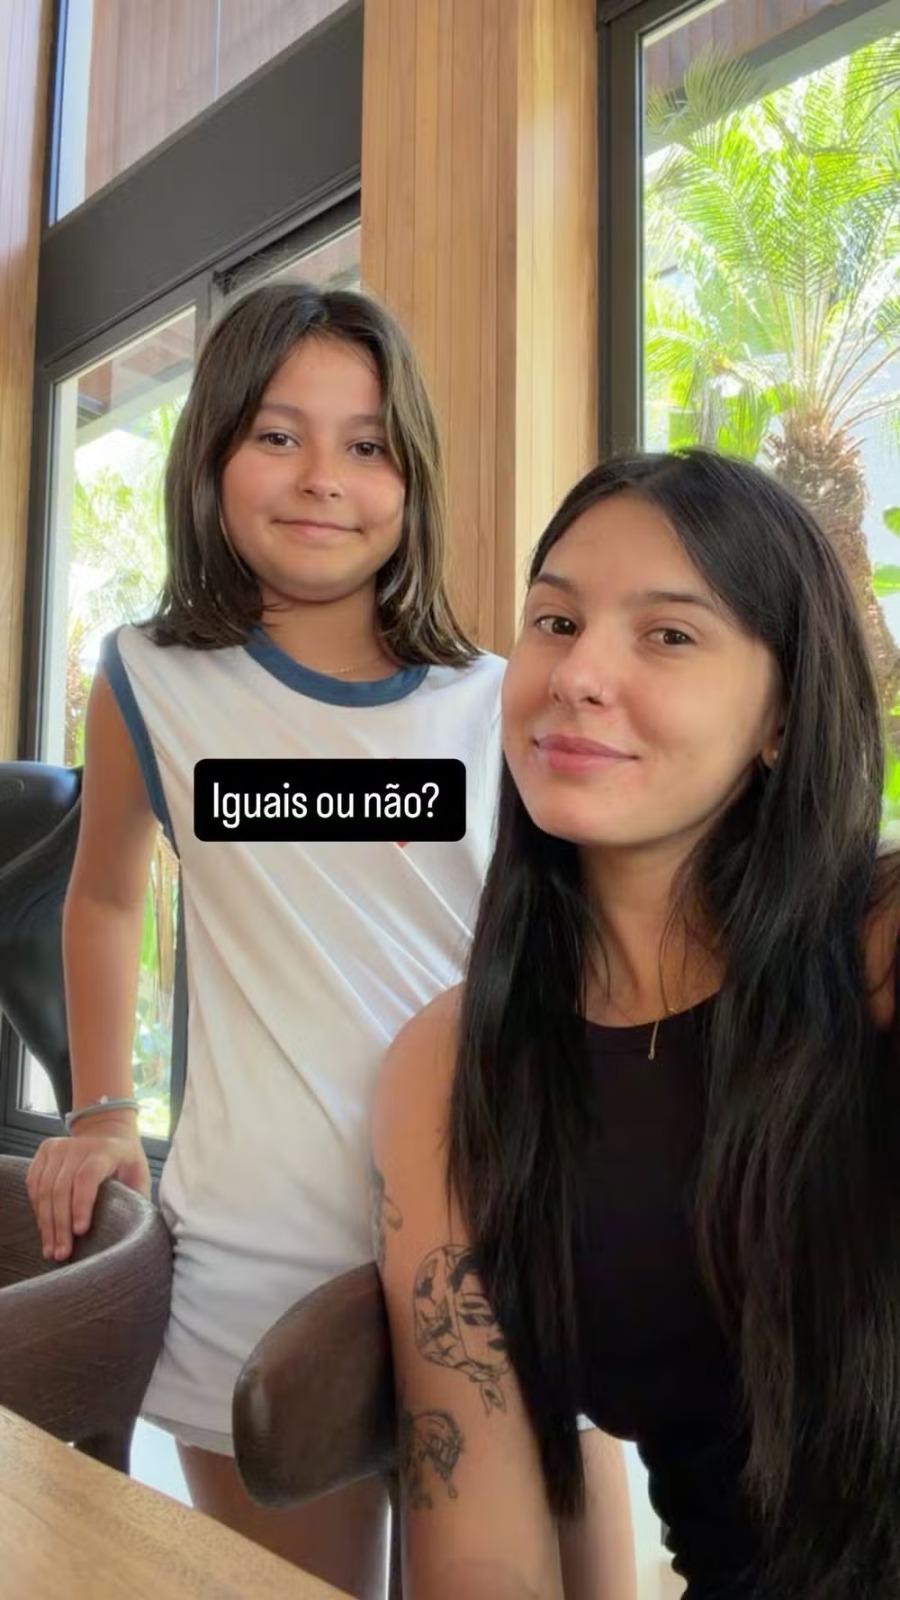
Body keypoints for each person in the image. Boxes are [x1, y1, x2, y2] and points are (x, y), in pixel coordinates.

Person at [25, 283, 633, 1600]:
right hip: (252, 1265)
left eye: (367, 445)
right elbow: (106, 895)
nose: (323, 479)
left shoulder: (499, 702)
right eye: (278, 434)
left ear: (413, 478)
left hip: (504, 1241)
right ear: (213, 453)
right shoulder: (150, 679)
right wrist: (102, 1108)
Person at [372, 448, 900, 1600]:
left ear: (782, 714)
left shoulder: (880, 947)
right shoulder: (450, 1067)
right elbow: (480, 1542)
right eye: (555, 621)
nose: (577, 674)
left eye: (668, 634)